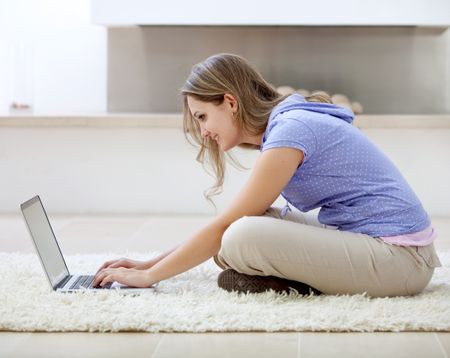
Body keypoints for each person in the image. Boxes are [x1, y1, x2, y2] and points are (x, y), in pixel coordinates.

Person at [93, 53, 441, 297]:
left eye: (202, 117)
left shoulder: (290, 131)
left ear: (230, 102)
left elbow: (227, 224)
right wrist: (146, 262)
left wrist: (149, 275)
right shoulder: (286, 123)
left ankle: (300, 283)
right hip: (392, 254)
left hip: (400, 262)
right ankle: (299, 280)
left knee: (240, 234)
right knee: (250, 228)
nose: (203, 132)